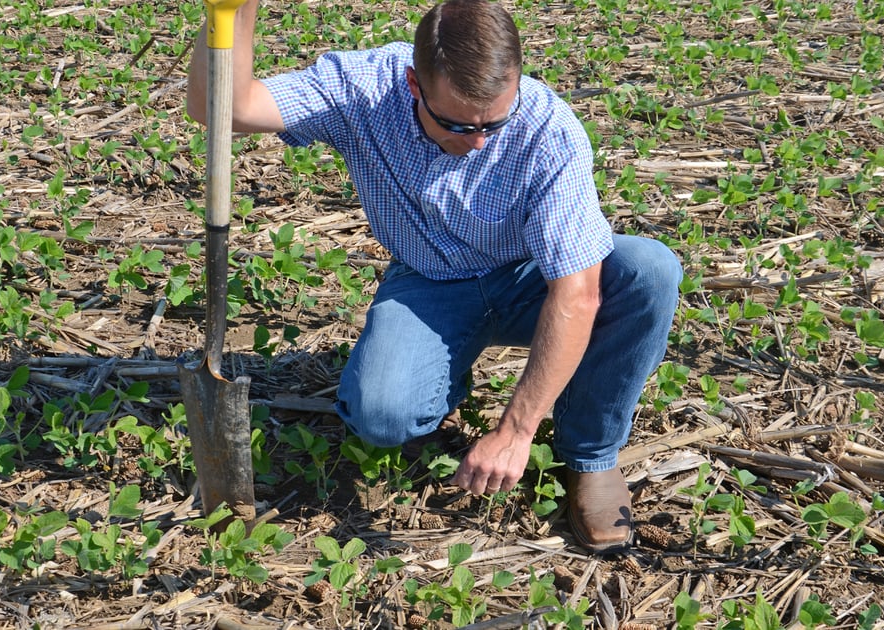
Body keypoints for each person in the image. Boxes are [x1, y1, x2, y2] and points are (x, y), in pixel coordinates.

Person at [187, 0, 682, 553]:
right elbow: (227, 108)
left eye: (494, 121)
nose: (478, 142)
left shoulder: (548, 129)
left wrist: (515, 433)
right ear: (413, 85)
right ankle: (440, 384)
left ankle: (590, 456)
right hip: (430, 280)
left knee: (647, 270)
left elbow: (576, 292)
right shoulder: (365, 90)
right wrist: (234, 10)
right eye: (456, 124)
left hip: (529, 280)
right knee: (381, 414)